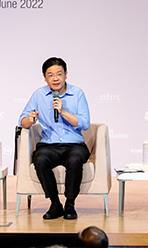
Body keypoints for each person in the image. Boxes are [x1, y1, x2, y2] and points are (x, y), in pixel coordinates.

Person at [19, 57, 90, 220]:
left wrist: (63, 111)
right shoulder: (39, 94)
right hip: (49, 145)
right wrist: (30, 119)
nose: (55, 78)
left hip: (74, 144)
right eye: (50, 75)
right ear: (44, 77)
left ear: (66, 74)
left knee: (75, 159)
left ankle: (70, 204)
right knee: (40, 159)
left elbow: (85, 124)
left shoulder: (77, 93)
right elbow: (22, 121)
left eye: (59, 74)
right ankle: (55, 203)